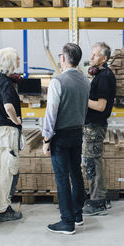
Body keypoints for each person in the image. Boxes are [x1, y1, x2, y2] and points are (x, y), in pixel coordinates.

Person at [42, 43, 90, 235]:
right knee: (76, 173)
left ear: (63, 58)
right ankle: (77, 215)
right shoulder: (86, 81)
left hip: (60, 136)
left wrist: (46, 139)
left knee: (62, 178)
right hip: (77, 132)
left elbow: (51, 113)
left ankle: (67, 221)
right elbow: (85, 109)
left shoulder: (58, 81)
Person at [83, 42, 116, 216]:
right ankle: (99, 197)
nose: (91, 57)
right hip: (92, 126)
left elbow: (101, 106)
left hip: (95, 127)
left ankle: (98, 202)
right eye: (92, 53)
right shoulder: (100, 75)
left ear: (104, 58)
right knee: (93, 162)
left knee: (92, 163)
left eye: (95, 55)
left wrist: (81, 98)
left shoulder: (104, 77)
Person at [0, 47, 23, 222]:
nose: (19, 61)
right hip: (7, 132)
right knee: (7, 171)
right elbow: (8, 106)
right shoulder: (6, 84)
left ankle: (3, 203)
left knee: (3, 169)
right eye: (17, 58)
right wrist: (16, 121)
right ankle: (3, 209)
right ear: (11, 62)